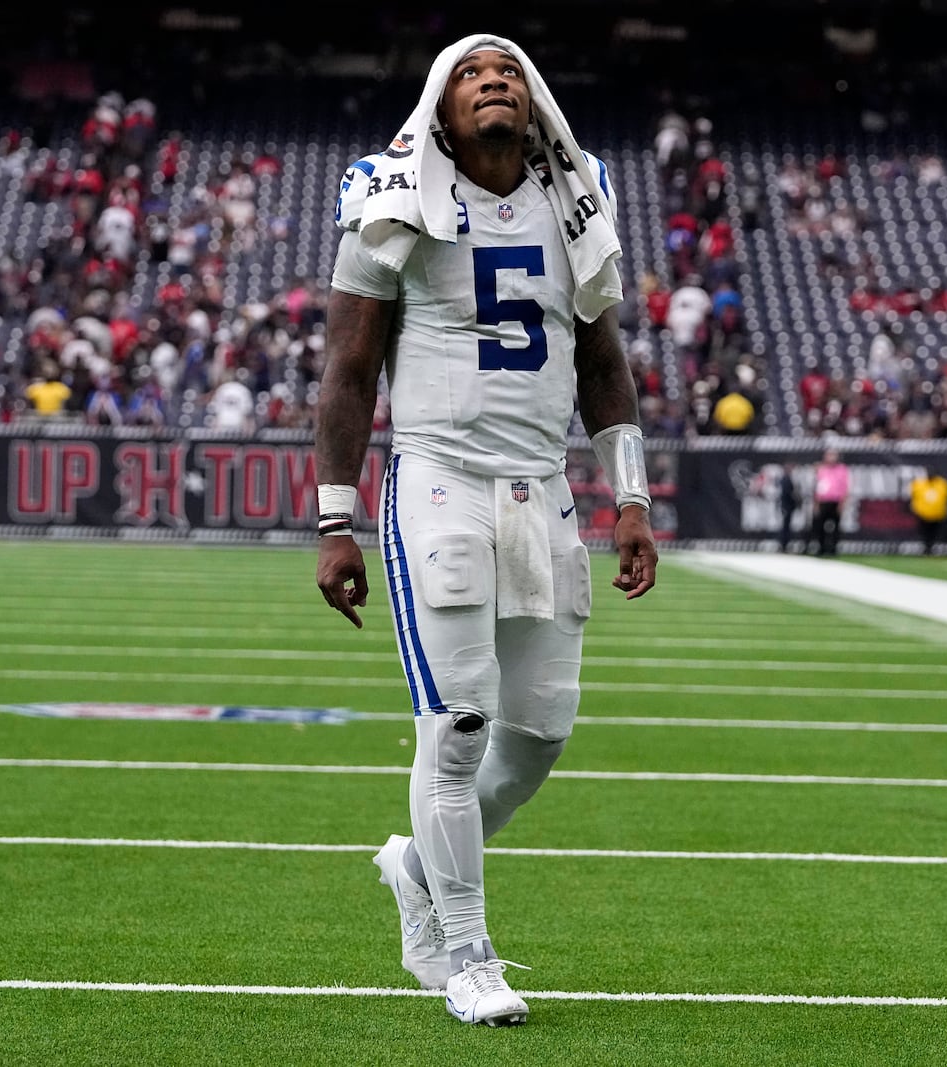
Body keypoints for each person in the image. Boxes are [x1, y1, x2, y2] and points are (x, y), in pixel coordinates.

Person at [313, 35, 658, 1028]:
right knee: (457, 726)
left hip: (540, 487)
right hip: (437, 479)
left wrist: (628, 497)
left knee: (540, 732)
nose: (494, 81)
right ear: (441, 104)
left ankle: (418, 866)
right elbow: (346, 371)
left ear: (533, 96)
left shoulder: (573, 197)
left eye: (507, 70)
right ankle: (465, 950)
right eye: (471, 73)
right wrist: (336, 520)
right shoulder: (393, 194)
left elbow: (603, 364)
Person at [810, 447, 848, 556]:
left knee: (835, 527)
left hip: (835, 501)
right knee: (820, 526)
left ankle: (833, 549)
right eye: (829, 455)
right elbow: (818, 487)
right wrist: (816, 503)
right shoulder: (821, 469)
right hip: (823, 501)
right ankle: (821, 548)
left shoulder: (842, 469)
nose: (831, 458)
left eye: (833, 455)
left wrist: (842, 503)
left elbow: (844, 487)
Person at [908, 467, 947, 556]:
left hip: (937, 514)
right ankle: (927, 548)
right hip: (923, 514)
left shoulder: (942, 484)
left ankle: (930, 548)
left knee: (934, 533)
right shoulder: (919, 483)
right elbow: (913, 496)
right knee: (924, 532)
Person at [776, 461, 799, 553]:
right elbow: (787, 494)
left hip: (788, 506)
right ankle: (783, 545)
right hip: (786, 506)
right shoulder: (785, 479)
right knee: (785, 527)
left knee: (786, 527)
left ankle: (784, 545)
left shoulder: (788, 479)